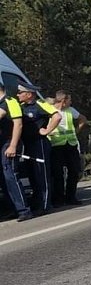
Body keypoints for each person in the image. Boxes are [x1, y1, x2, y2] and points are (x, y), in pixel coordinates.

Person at [16, 82, 61, 214]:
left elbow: (57, 116)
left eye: (20, 93)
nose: (18, 95)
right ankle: (36, 203)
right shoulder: (21, 106)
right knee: (32, 175)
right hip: (27, 144)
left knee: (41, 174)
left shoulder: (40, 104)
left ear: (29, 94)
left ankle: (46, 205)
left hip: (39, 143)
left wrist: (47, 130)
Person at [0, 83, 32, 221]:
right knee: (3, 178)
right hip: (2, 144)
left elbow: (18, 124)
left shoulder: (10, 101)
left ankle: (24, 210)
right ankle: (13, 208)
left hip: (10, 143)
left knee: (11, 175)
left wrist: (13, 145)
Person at [49, 90, 85, 206]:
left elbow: (82, 119)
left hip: (71, 144)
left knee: (74, 171)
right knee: (57, 174)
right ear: (63, 101)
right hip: (56, 146)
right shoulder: (49, 110)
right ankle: (58, 199)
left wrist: (76, 131)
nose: (71, 102)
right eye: (69, 100)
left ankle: (71, 197)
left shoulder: (70, 111)